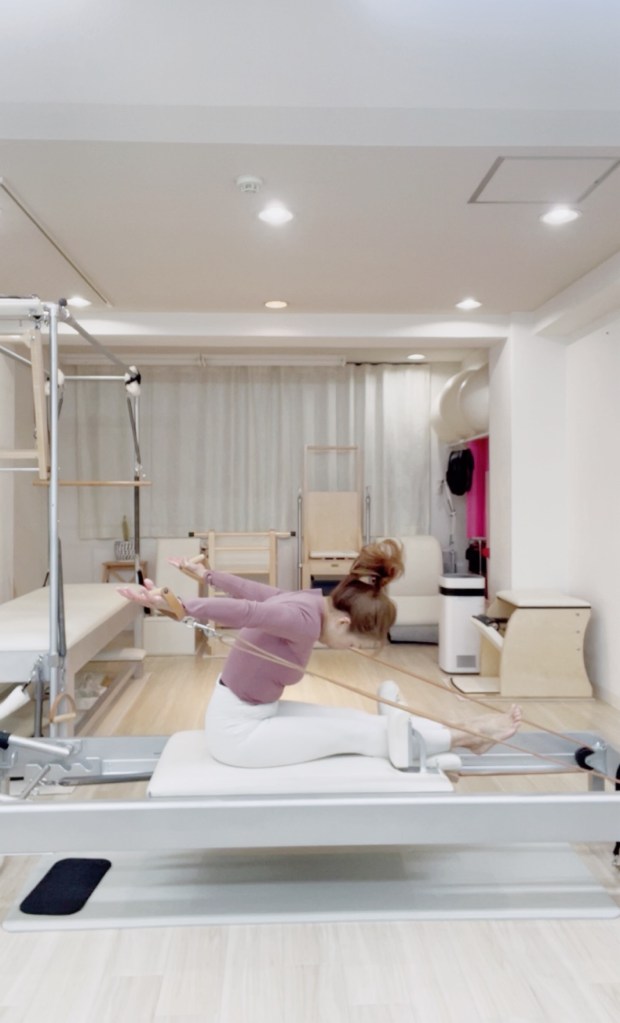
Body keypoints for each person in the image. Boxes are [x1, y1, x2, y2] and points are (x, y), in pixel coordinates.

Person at [118, 539, 521, 770]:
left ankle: (457, 731)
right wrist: (182, 606)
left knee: (356, 720)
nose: (352, 650)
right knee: (360, 734)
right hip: (239, 736)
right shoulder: (304, 621)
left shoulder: (309, 603)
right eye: (355, 644)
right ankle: (467, 735)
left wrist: (207, 575)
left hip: (254, 715)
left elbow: (254, 592)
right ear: (344, 623)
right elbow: (248, 611)